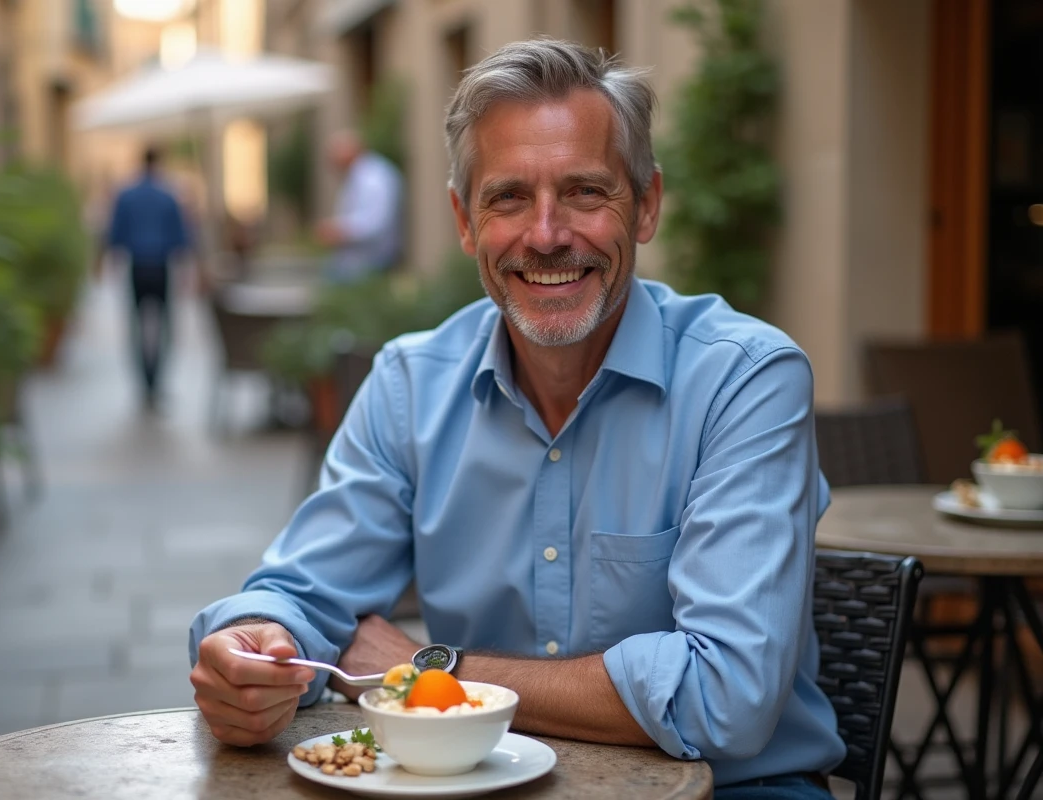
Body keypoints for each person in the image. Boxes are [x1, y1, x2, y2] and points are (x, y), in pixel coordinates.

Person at [189, 39, 845, 797]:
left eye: (585, 192)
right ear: (465, 222)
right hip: (484, 782)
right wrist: (253, 647)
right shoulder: (411, 383)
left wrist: (429, 673)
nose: (545, 234)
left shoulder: (744, 380)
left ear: (648, 205)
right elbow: (300, 598)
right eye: (507, 198)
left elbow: (726, 698)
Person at [102, 146, 193, 410]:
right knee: (164, 326)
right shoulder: (168, 195)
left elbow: (114, 234)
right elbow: (181, 238)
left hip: (138, 266)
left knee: (137, 327)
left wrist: (102, 263)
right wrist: (189, 272)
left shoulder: (127, 194)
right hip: (160, 267)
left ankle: (144, 382)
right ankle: (157, 381)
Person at [314, 130, 404, 283]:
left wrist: (338, 232)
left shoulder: (374, 178)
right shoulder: (360, 175)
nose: (330, 161)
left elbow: (376, 223)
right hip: (356, 264)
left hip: (371, 263)